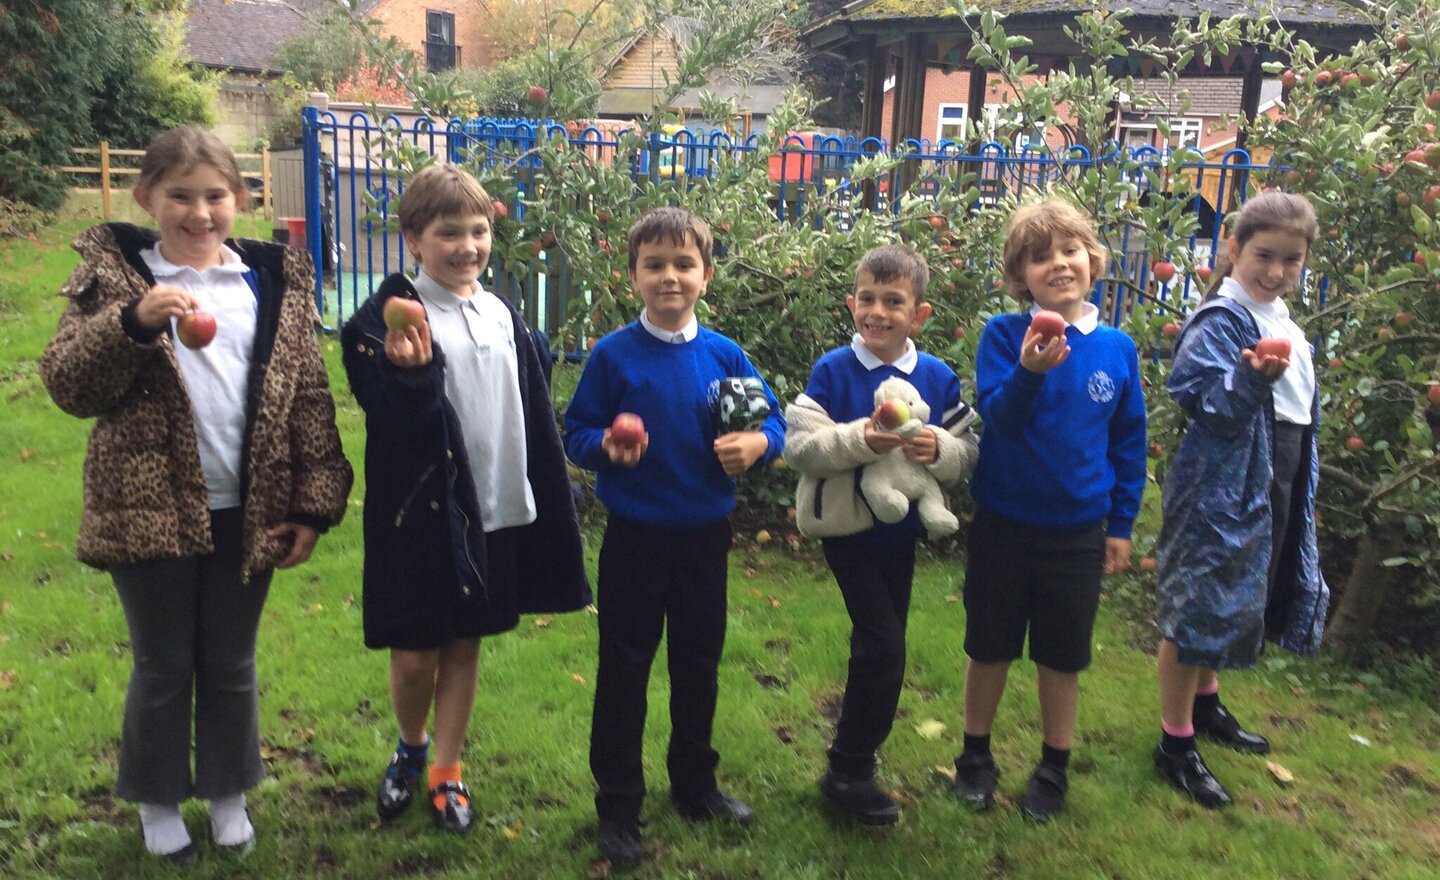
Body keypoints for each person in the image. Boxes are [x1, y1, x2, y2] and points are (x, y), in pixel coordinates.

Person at [39, 126, 353, 864]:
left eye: (215, 195)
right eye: (180, 195)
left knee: (229, 662)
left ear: (239, 200)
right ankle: (156, 801)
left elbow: (306, 395)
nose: (199, 211)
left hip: (250, 504)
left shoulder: (267, 283)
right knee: (163, 662)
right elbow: (67, 386)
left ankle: (227, 792)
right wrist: (131, 326)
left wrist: (311, 505)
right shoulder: (117, 282)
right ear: (147, 197)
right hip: (148, 506)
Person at [339, 164, 590, 834]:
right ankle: (411, 744)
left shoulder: (502, 313)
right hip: (422, 515)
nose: (467, 246)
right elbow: (386, 417)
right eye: (448, 233)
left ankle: (447, 769)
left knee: (466, 644)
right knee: (417, 650)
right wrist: (410, 374)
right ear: (414, 238)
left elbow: (529, 411)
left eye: (478, 231)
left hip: (497, 507)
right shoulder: (381, 323)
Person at [564, 207, 786, 868]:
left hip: (704, 539)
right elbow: (577, 433)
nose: (670, 276)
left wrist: (758, 443)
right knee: (625, 672)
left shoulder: (724, 355)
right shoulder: (613, 356)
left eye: (684, 264)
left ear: (706, 275)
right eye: (654, 264)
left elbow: (769, 425)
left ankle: (695, 784)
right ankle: (619, 807)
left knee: (698, 665)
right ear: (632, 274)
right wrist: (607, 446)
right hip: (634, 539)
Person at [952, 197, 1147, 822]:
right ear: (1021, 276)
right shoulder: (1004, 337)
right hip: (1005, 522)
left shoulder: (1116, 348)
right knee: (990, 646)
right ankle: (975, 756)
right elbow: (1000, 422)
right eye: (1040, 258)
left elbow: (1128, 440)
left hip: (1078, 531)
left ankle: (1054, 765)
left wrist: (1120, 525)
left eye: (1068, 251)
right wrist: (1030, 372)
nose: (1058, 265)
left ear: (1092, 260)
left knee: (1063, 655)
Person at [783, 244, 978, 825]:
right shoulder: (833, 371)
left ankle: (852, 762)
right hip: (848, 533)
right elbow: (801, 449)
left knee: (879, 646)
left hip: (901, 535)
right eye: (867, 298)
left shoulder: (937, 378)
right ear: (851, 304)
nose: (878, 311)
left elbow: (968, 451)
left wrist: (938, 448)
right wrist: (862, 439)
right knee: (886, 648)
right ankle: (849, 769)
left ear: (919, 313)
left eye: (894, 301)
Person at [1152, 191, 1329, 808]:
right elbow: (1209, 407)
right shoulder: (1222, 321)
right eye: (1264, 255)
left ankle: (1206, 706)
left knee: (1233, 594)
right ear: (1233, 249)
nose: (1276, 272)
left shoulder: (1284, 322)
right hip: (1221, 486)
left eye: (1292, 260)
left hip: (1276, 473)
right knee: (1197, 604)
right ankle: (1175, 744)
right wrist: (1253, 375)